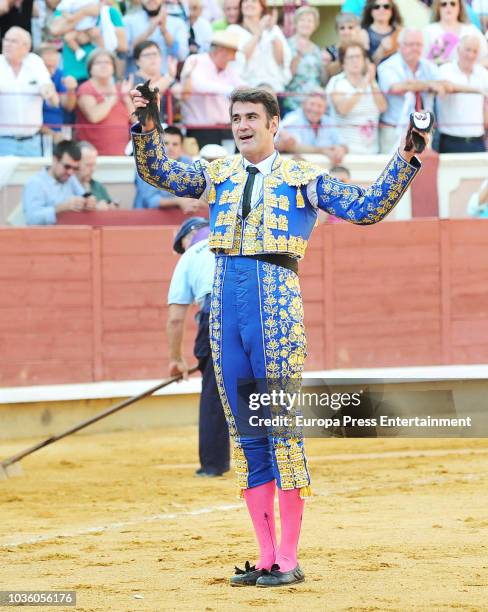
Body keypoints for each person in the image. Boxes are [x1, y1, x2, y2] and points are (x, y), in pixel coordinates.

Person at [129, 85, 427, 587]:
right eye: (236, 117)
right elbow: (161, 172)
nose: (242, 124)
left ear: (274, 125)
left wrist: (406, 154)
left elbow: (368, 206)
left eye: (252, 117)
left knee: (281, 432)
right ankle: (265, 557)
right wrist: (147, 125)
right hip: (223, 303)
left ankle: (288, 559)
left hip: (275, 302)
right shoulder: (217, 171)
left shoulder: (301, 176)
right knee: (247, 437)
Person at [167, 217, 230, 477]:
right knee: (261, 384)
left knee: (215, 391)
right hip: (257, 307)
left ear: (187, 237)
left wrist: (176, 359)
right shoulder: (237, 239)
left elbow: (176, 317)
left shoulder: (191, 254)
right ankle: (279, 461)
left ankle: (213, 464)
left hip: (215, 312)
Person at [377, 27, 447, 153]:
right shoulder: (387, 66)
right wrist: (429, 85)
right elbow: (396, 87)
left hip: (423, 131)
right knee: (393, 169)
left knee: (423, 170)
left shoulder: (428, 65)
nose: (415, 48)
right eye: (410, 44)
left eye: (418, 44)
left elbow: (444, 84)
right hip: (395, 130)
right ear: (399, 46)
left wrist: (413, 84)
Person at [179, 30, 245, 148]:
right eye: (232, 53)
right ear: (221, 51)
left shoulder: (227, 69)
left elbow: (241, 86)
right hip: (202, 130)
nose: (234, 58)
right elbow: (199, 85)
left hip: (226, 129)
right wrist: (231, 90)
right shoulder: (195, 60)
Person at [0, 26, 59, 156]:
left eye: (13, 41)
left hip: (32, 142)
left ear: (26, 47)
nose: (7, 44)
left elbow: (48, 90)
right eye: (6, 40)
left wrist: (48, 91)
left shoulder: (35, 61)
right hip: (3, 142)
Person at [326, 41, 387, 154]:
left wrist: (372, 82)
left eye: (358, 57)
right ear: (343, 62)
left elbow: (382, 107)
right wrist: (363, 85)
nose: (355, 61)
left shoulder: (371, 82)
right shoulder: (337, 82)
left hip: (372, 151)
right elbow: (343, 109)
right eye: (350, 57)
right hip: (346, 151)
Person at [227, 0, 291, 99]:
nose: (249, 4)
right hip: (245, 89)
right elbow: (240, 57)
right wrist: (258, 33)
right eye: (245, 1)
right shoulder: (233, 30)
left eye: (253, 1)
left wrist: (272, 30)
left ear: (262, 7)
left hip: (272, 88)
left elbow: (280, 60)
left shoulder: (273, 30)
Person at [22, 139, 96, 225]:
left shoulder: (70, 177)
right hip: (44, 236)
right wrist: (61, 208)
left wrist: (89, 201)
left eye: (75, 168)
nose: (71, 172)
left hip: (69, 233)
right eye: (67, 167)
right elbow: (32, 219)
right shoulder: (36, 183)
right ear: (55, 160)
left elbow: (84, 195)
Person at [75, 49, 133, 155]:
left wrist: (126, 98)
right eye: (98, 62)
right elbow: (94, 116)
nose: (104, 66)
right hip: (93, 156)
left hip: (122, 154)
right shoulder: (86, 88)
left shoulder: (121, 88)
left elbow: (136, 119)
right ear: (90, 68)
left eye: (107, 62)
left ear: (113, 68)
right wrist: (111, 99)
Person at [436, 35, 488, 152]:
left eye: (475, 51)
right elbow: (447, 86)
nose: (471, 55)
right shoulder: (445, 69)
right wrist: (478, 90)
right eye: (468, 50)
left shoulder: (483, 73)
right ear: (458, 50)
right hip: (450, 139)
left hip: (477, 139)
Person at [134, 125, 201, 212]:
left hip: (177, 218)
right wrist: (178, 201)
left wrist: (195, 202)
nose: (170, 148)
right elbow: (151, 202)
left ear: (181, 147)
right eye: (166, 143)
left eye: (175, 144)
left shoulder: (186, 162)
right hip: (145, 219)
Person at [277, 91, 348, 164]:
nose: (315, 109)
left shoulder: (328, 121)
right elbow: (291, 147)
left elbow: (343, 144)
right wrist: (323, 151)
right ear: (303, 104)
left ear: (325, 109)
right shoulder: (293, 118)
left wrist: (341, 149)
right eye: (312, 104)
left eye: (320, 106)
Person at [124, 0, 189, 76]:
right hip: (135, 82)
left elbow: (182, 55)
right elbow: (125, 53)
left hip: (165, 81)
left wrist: (164, 31)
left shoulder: (177, 23)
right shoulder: (128, 21)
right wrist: (148, 32)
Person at [284, 6, 325, 112]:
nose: (306, 24)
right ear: (296, 23)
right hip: (294, 101)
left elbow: (322, 79)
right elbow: (285, 77)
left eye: (310, 21)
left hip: (315, 100)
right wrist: (298, 55)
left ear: (315, 26)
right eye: (302, 20)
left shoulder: (316, 49)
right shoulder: (286, 45)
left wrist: (326, 65)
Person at [423, 0, 487, 66]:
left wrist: (472, 68)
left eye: (453, 4)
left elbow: (486, 57)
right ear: (438, 7)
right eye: (444, 4)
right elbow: (421, 61)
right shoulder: (429, 31)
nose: (448, 7)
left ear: (459, 7)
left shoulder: (471, 30)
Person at [39, 44, 78, 142]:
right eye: (47, 67)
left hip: (59, 133)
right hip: (37, 135)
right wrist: (52, 134)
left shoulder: (60, 74)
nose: (51, 71)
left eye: (55, 53)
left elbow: (68, 106)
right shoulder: (32, 77)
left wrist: (71, 90)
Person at [360, 0, 403, 64]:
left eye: (386, 6)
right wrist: (381, 50)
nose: (381, 9)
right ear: (370, 11)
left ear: (392, 11)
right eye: (376, 7)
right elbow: (364, 66)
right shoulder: (363, 33)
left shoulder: (399, 32)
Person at [77, 141, 118, 207]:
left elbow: (110, 204)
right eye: (88, 165)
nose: (93, 169)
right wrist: (96, 208)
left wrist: (111, 207)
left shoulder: (98, 186)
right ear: (76, 163)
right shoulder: (67, 186)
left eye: (94, 165)